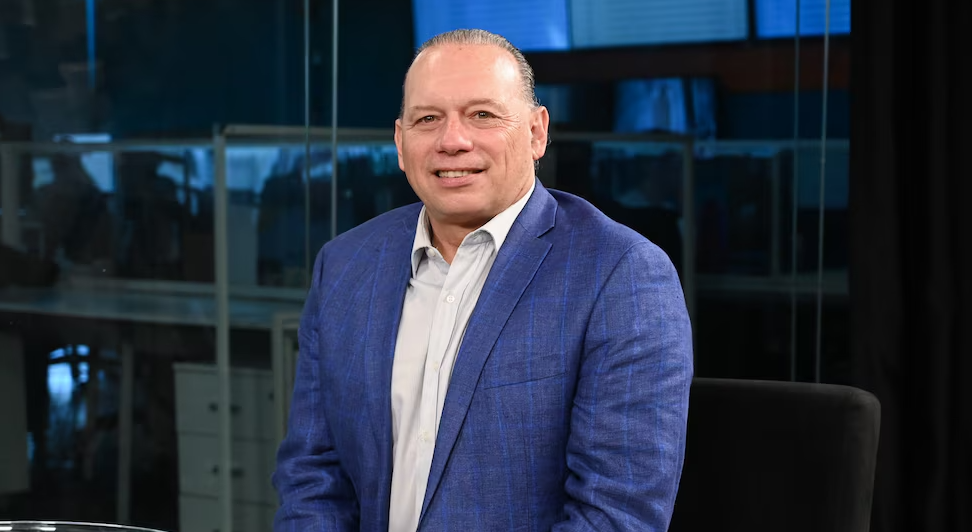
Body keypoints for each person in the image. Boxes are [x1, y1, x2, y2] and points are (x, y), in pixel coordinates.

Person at [273, 29, 694, 531]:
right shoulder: (344, 265)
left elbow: (616, 514)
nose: (453, 141)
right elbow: (312, 475)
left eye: (482, 115)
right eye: (428, 119)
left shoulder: (621, 275)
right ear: (401, 143)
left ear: (536, 133)